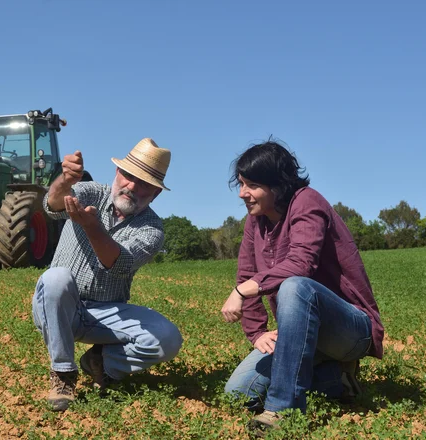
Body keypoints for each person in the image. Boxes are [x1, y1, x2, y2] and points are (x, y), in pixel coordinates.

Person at [220, 141, 384, 436]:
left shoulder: (307, 202)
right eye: (242, 184)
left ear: (278, 185)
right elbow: (247, 271)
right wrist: (257, 332)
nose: (243, 193)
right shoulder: (254, 221)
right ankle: (336, 379)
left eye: (253, 185)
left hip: (349, 329)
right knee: (239, 393)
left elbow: (301, 263)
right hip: (298, 331)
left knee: (296, 287)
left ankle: (282, 410)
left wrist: (244, 290)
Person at [32, 138, 183, 412]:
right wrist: (65, 180)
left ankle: (102, 362)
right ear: (117, 173)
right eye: (128, 175)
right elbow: (52, 205)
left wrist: (92, 227)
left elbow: (119, 264)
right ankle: (63, 374)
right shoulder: (91, 192)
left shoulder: (152, 229)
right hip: (58, 306)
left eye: (144, 183)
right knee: (56, 278)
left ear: (155, 193)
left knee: (167, 338)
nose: (132, 186)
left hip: (105, 313)